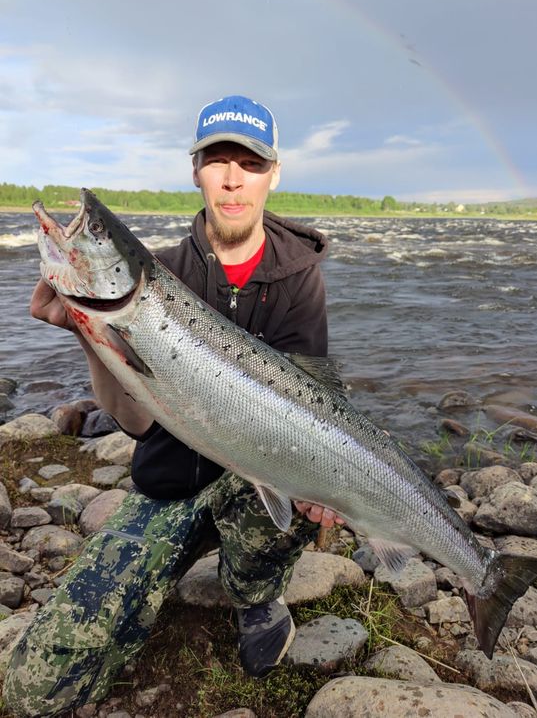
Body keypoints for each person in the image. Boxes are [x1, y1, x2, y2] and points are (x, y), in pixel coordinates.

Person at [3, 95, 344, 718]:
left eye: (251, 164)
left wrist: (323, 485)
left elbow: (315, 406)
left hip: (255, 479)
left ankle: (254, 591)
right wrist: (90, 332)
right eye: (218, 162)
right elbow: (135, 421)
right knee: (34, 688)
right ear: (196, 172)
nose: (233, 179)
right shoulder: (161, 274)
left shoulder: (301, 279)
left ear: (273, 175)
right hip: (168, 487)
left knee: (311, 485)